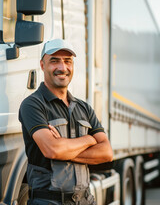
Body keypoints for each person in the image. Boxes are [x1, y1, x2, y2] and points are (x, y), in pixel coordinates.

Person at [19, 39, 113, 205]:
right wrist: (89, 140)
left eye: (67, 61)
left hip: (85, 200)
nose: (62, 68)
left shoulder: (84, 108)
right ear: (42, 65)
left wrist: (65, 149)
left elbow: (106, 152)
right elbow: (53, 150)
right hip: (48, 201)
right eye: (54, 61)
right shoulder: (32, 104)